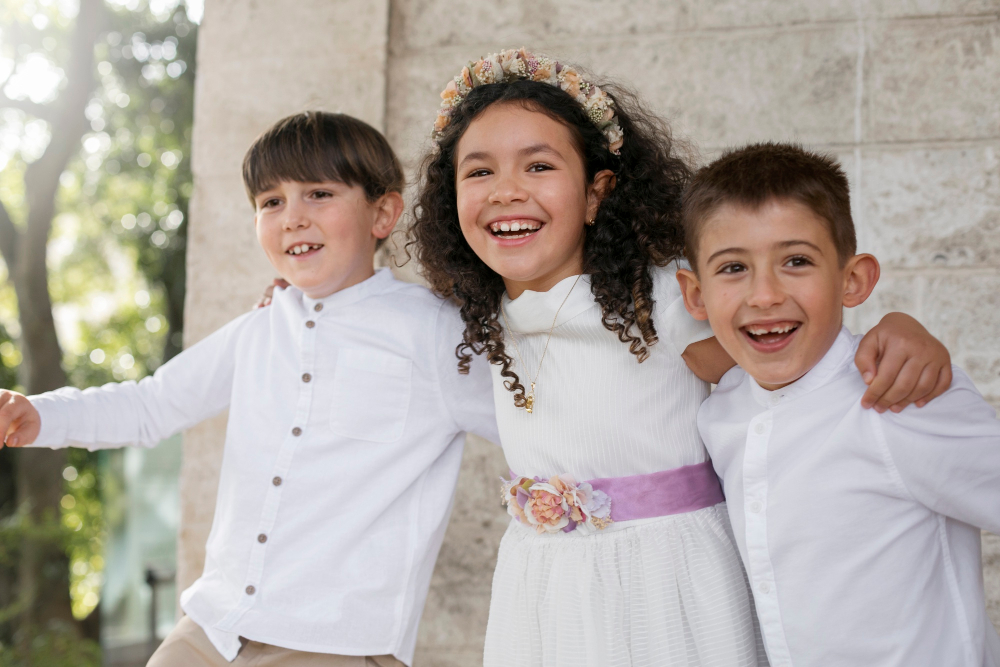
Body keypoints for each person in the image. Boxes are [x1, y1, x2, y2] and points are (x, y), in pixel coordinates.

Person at [407, 48, 954, 666]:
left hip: (671, 587)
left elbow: (795, 354)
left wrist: (897, 329)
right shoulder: (477, 316)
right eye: (478, 173)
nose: (507, 191)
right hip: (544, 593)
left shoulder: (664, 300)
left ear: (596, 192)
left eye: (538, 166)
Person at [0, 111, 498, 667]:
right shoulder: (260, 327)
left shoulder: (435, 333)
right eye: (271, 202)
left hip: (334, 643)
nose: (292, 219)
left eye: (318, 194)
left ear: (382, 212)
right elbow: (152, 404)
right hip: (211, 630)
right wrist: (37, 415)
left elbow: (538, 427)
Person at [676, 142, 1000, 666]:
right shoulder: (722, 407)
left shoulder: (903, 396)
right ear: (695, 296)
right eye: (733, 268)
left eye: (796, 261)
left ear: (853, 280)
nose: (764, 294)